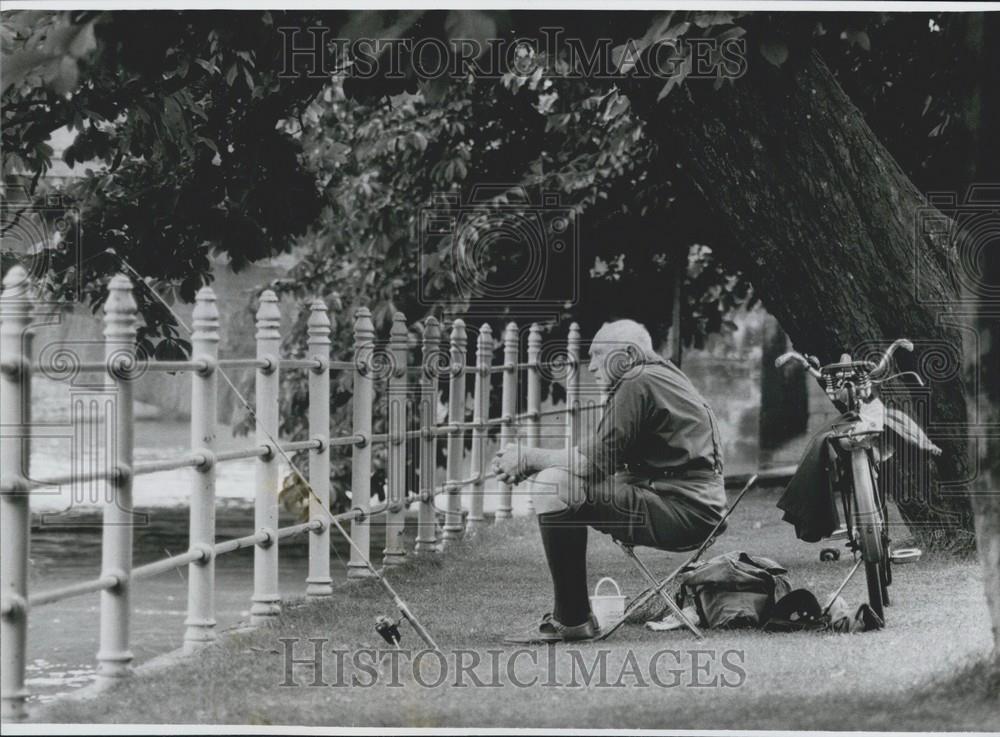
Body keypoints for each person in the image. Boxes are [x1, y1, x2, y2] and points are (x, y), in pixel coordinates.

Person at [492, 319, 727, 643]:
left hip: (682, 509)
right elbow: (599, 461)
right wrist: (529, 461)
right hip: (691, 506)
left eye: (598, 355)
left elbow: (590, 464)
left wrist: (528, 458)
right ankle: (572, 617)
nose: (591, 368)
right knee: (558, 480)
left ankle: (571, 621)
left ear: (628, 354)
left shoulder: (637, 379)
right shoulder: (660, 376)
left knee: (554, 485)